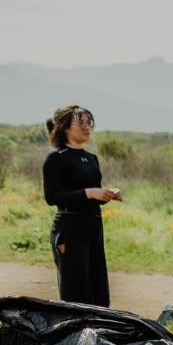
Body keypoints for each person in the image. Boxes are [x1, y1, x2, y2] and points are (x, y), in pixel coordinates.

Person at [42, 104, 122, 306]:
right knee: (76, 290)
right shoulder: (56, 157)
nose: (87, 128)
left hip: (93, 224)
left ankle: (97, 334)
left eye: (89, 123)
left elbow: (92, 194)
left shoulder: (91, 158)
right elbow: (52, 197)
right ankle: (76, 335)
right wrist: (89, 193)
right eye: (81, 123)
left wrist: (107, 194)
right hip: (69, 227)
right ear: (65, 127)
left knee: (99, 288)